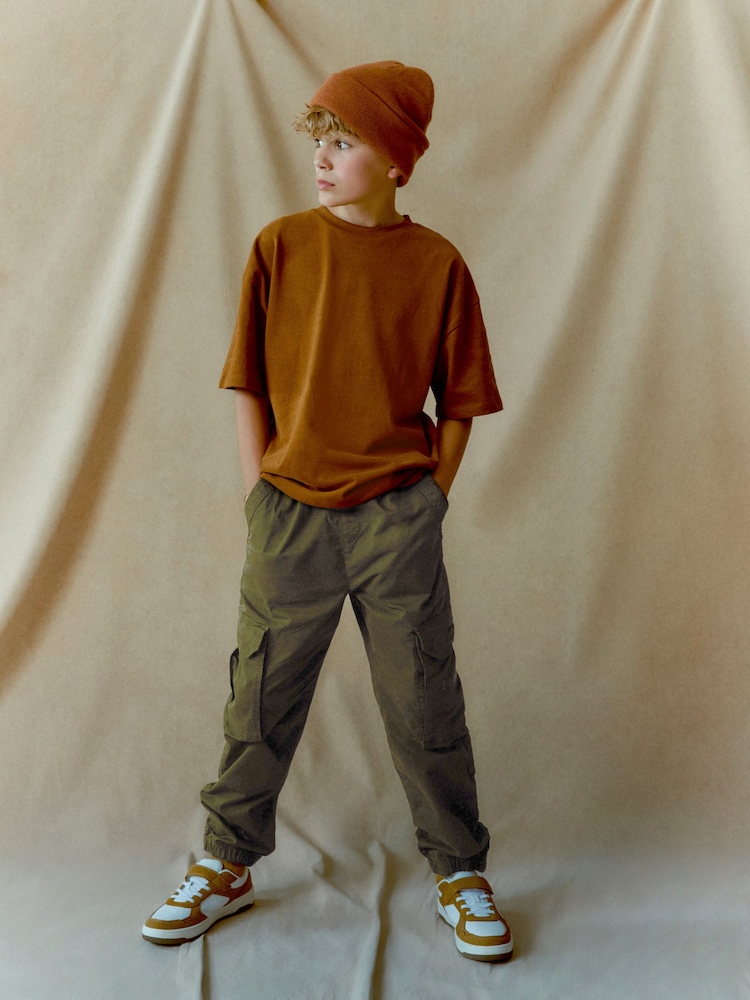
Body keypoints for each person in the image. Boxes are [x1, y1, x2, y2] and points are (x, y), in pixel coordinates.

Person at [142, 60, 513, 963]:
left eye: (344, 143)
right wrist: (258, 494)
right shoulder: (279, 247)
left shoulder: (437, 265)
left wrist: (430, 499)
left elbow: (462, 402)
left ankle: (460, 872)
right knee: (260, 697)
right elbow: (247, 382)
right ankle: (226, 863)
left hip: (397, 521)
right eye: (320, 141)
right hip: (289, 519)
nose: (323, 158)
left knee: (424, 699)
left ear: (397, 162)